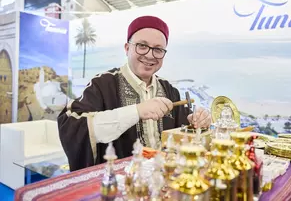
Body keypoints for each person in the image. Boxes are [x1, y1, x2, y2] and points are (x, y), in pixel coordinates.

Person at [58, 16, 212, 171]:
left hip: (163, 179)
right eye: (142, 46)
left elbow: (183, 131)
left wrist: (198, 123)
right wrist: (137, 111)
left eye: (158, 49)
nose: (150, 55)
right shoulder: (103, 84)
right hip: (120, 183)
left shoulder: (169, 90)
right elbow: (72, 125)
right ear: (127, 48)